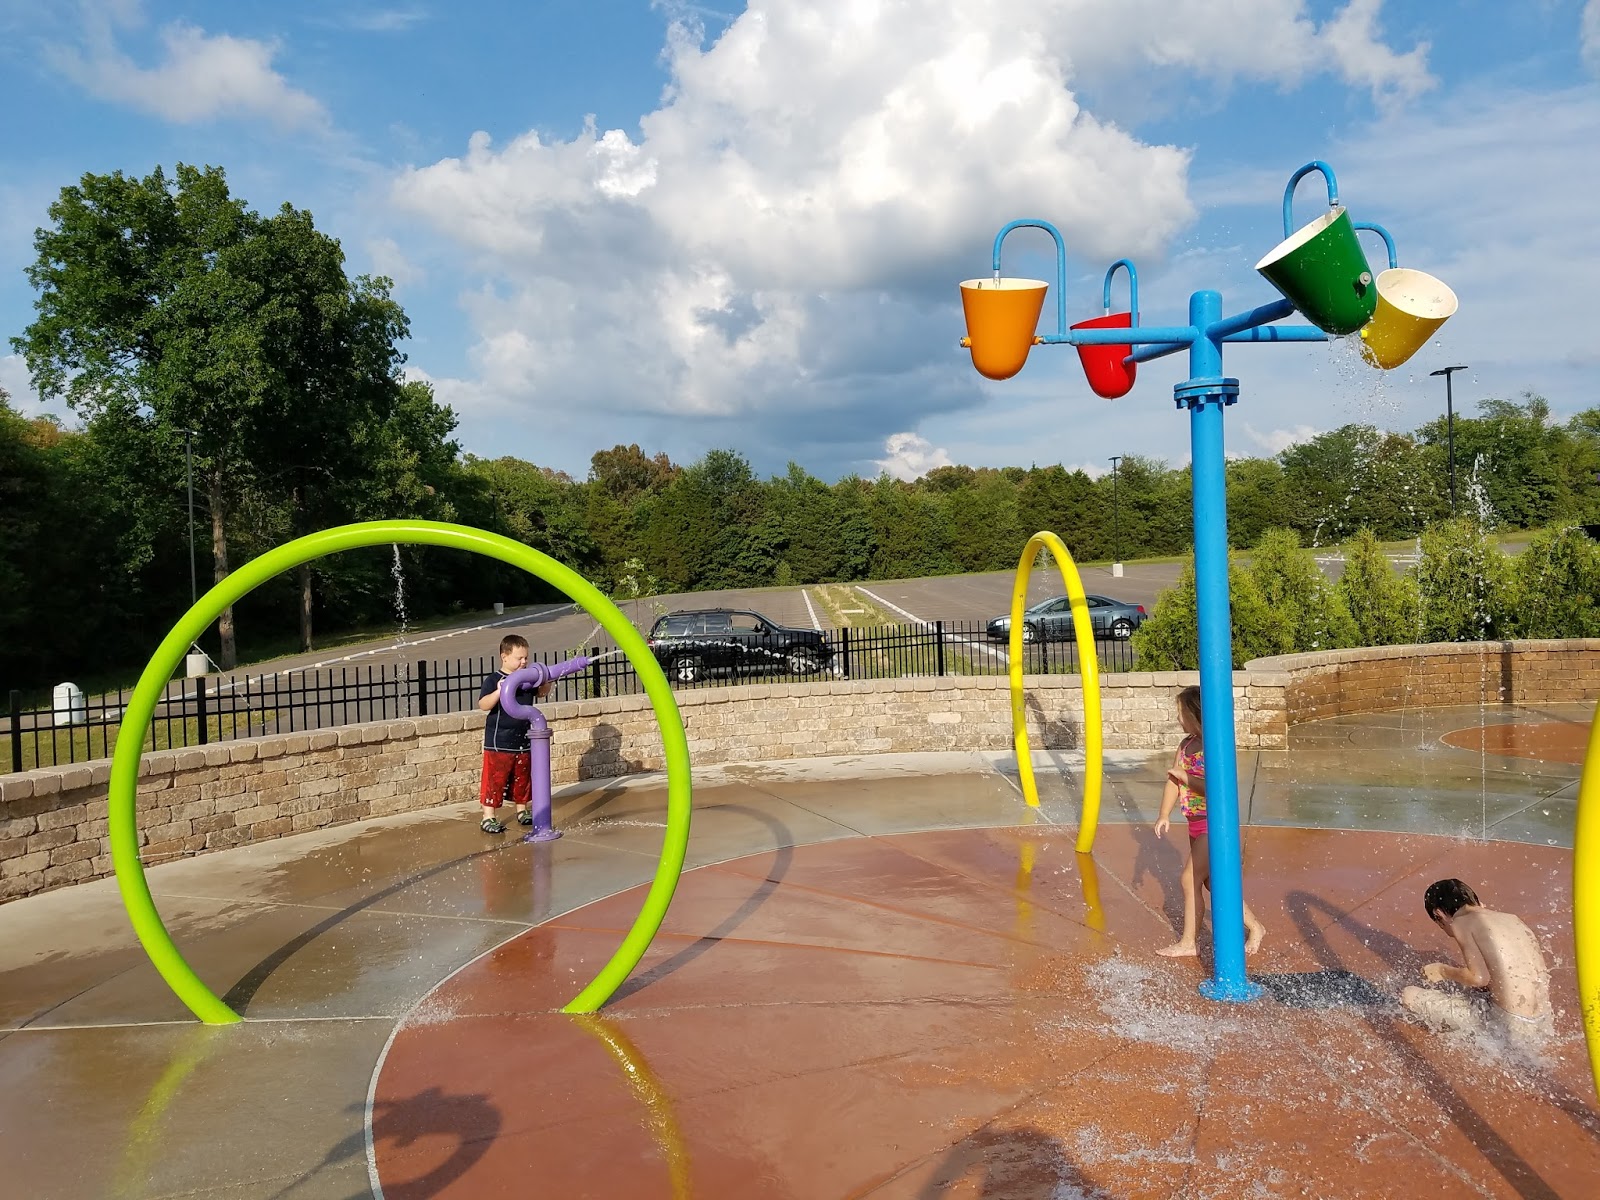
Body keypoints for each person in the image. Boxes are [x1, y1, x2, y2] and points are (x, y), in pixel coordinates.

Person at [1153, 685, 1267, 958]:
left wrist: (1186, 777)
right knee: (1214, 884)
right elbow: (1173, 781)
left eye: (1180, 712)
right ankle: (1256, 926)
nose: (1177, 718)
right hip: (1194, 823)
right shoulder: (1185, 746)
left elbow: (1217, 790)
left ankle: (1188, 943)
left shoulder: (1214, 748)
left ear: (1195, 714)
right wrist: (1164, 814)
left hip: (1214, 824)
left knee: (1188, 879)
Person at [1400, 879, 1554, 1052]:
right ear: (1478, 902)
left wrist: (1442, 971)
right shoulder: (1512, 919)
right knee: (1479, 992)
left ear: (1439, 915)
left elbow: (1478, 978)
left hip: (1509, 1028)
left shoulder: (1461, 922)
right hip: (1542, 1021)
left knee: (1409, 995)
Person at [476, 634, 550, 834]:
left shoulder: (527, 679)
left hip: (523, 738)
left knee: (522, 777)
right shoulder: (494, 679)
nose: (524, 662)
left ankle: (522, 810)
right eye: (519, 658)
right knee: (495, 779)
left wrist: (546, 681)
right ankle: (488, 816)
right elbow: (483, 704)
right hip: (499, 741)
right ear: (505, 657)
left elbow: (541, 693)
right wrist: (499, 691)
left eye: (526, 657)